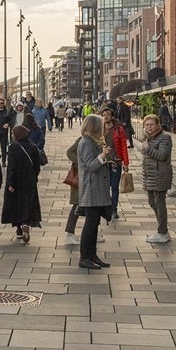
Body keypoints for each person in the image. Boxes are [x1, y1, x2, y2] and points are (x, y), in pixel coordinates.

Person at [73, 114, 116, 270]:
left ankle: (92, 254)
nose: (103, 128)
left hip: (97, 188)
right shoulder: (85, 143)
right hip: (91, 189)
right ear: (94, 127)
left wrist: (106, 160)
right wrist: (103, 155)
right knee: (90, 225)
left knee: (94, 223)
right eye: (101, 125)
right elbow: (90, 166)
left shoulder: (92, 141)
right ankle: (85, 257)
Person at [0, 120, 44, 242]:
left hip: (17, 181)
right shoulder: (33, 147)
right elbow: (37, 166)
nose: (13, 137)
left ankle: (19, 228)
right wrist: (33, 177)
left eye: (14, 134)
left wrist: (10, 183)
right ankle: (26, 222)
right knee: (27, 202)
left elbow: (11, 167)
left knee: (16, 203)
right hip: (29, 181)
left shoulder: (13, 147)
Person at [136, 114, 173, 244]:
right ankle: (162, 229)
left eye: (152, 124)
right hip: (150, 175)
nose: (149, 127)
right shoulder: (148, 138)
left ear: (157, 124)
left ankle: (162, 232)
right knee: (152, 202)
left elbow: (162, 155)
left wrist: (148, 148)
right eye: (147, 125)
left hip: (160, 174)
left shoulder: (165, 138)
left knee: (159, 202)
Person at [106, 112, 130, 224]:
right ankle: (107, 207)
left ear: (112, 117)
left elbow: (124, 146)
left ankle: (114, 209)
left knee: (114, 187)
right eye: (103, 114)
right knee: (105, 186)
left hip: (116, 161)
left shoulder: (118, 130)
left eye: (107, 114)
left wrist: (126, 163)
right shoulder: (99, 129)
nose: (105, 116)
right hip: (103, 162)